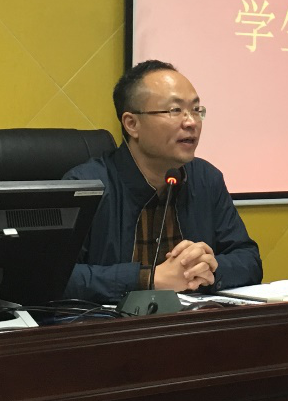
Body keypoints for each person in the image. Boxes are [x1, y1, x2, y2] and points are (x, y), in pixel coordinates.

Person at [63, 59, 262, 302]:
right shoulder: (86, 186)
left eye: (196, 110)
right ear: (132, 124)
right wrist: (148, 279)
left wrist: (208, 268)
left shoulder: (206, 179)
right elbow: (54, 278)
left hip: (193, 321)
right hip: (109, 324)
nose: (191, 122)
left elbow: (249, 259)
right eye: (175, 110)